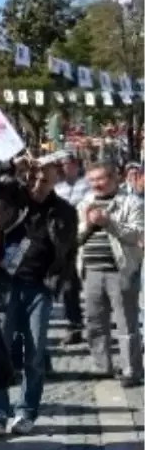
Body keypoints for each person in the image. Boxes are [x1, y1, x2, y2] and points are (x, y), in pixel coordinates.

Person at [0, 152, 77, 435]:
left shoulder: (64, 211)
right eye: (34, 176)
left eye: (45, 178)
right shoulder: (11, 197)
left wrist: (58, 285)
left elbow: (68, 253)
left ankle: (26, 412)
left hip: (39, 287)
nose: (38, 182)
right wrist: (8, 165)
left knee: (34, 353)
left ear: (57, 178)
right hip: (3, 285)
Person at [76, 161, 144, 386]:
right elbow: (75, 238)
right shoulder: (85, 203)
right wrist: (87, 225)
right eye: (92, 180)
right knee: (95, 321)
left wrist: (108, 223)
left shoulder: (132, 202)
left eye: (101, 179)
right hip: (91, 271)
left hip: (121, 270)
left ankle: (131, 370)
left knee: (126, 322)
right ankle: (102, 366)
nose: (96, 184)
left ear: (115, 178)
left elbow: (137, 235)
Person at [54, 152, 89, 345]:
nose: (65, 167)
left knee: (93, 285)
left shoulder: (87, 185)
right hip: (65, 242)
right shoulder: (56, 188)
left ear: (76, 165)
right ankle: (74, 325)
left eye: (68, 163)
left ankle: (98, 325)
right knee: (69, 286)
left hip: (87, 239)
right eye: (62, 164)